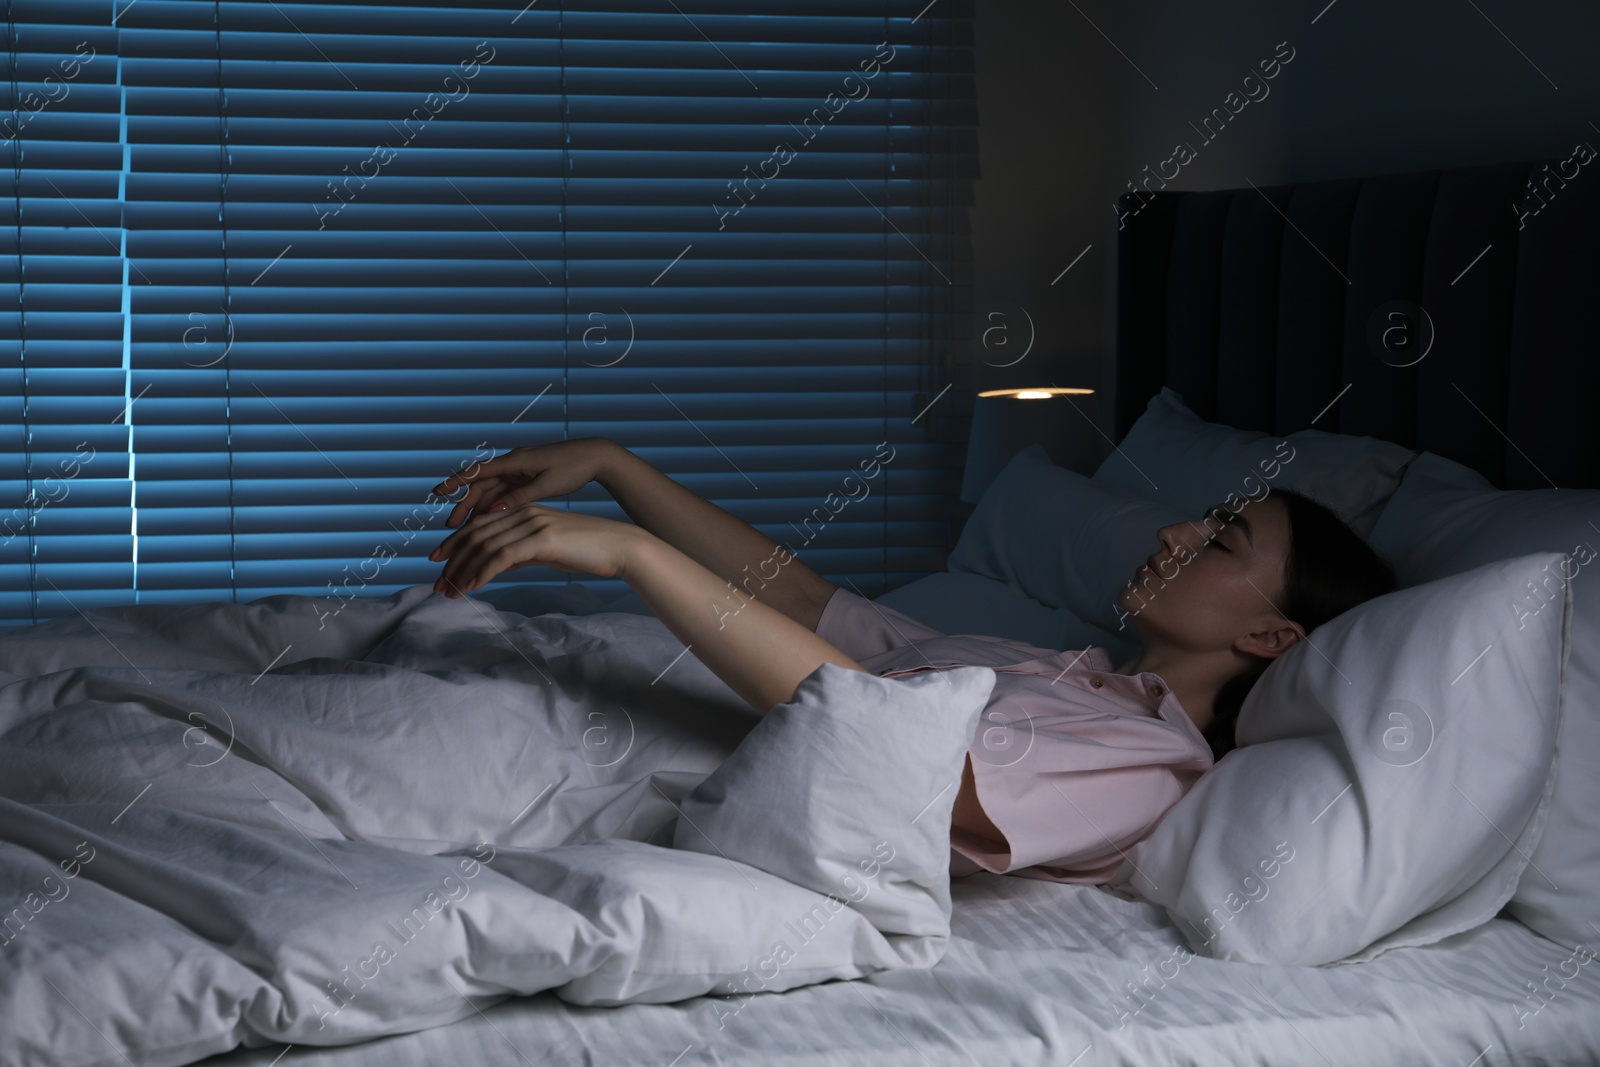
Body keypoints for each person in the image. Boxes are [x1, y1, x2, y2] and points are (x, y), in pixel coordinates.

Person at [425, 438, 1395, 885]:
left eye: (1220, 542)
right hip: (595, 730)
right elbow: (799, 603)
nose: (1179, 529)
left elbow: (893, 750)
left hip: (609, 777)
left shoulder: (1143, 758)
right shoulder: (1061, 665)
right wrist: (614, 466)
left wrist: (629, 554)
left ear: (1271, 636)